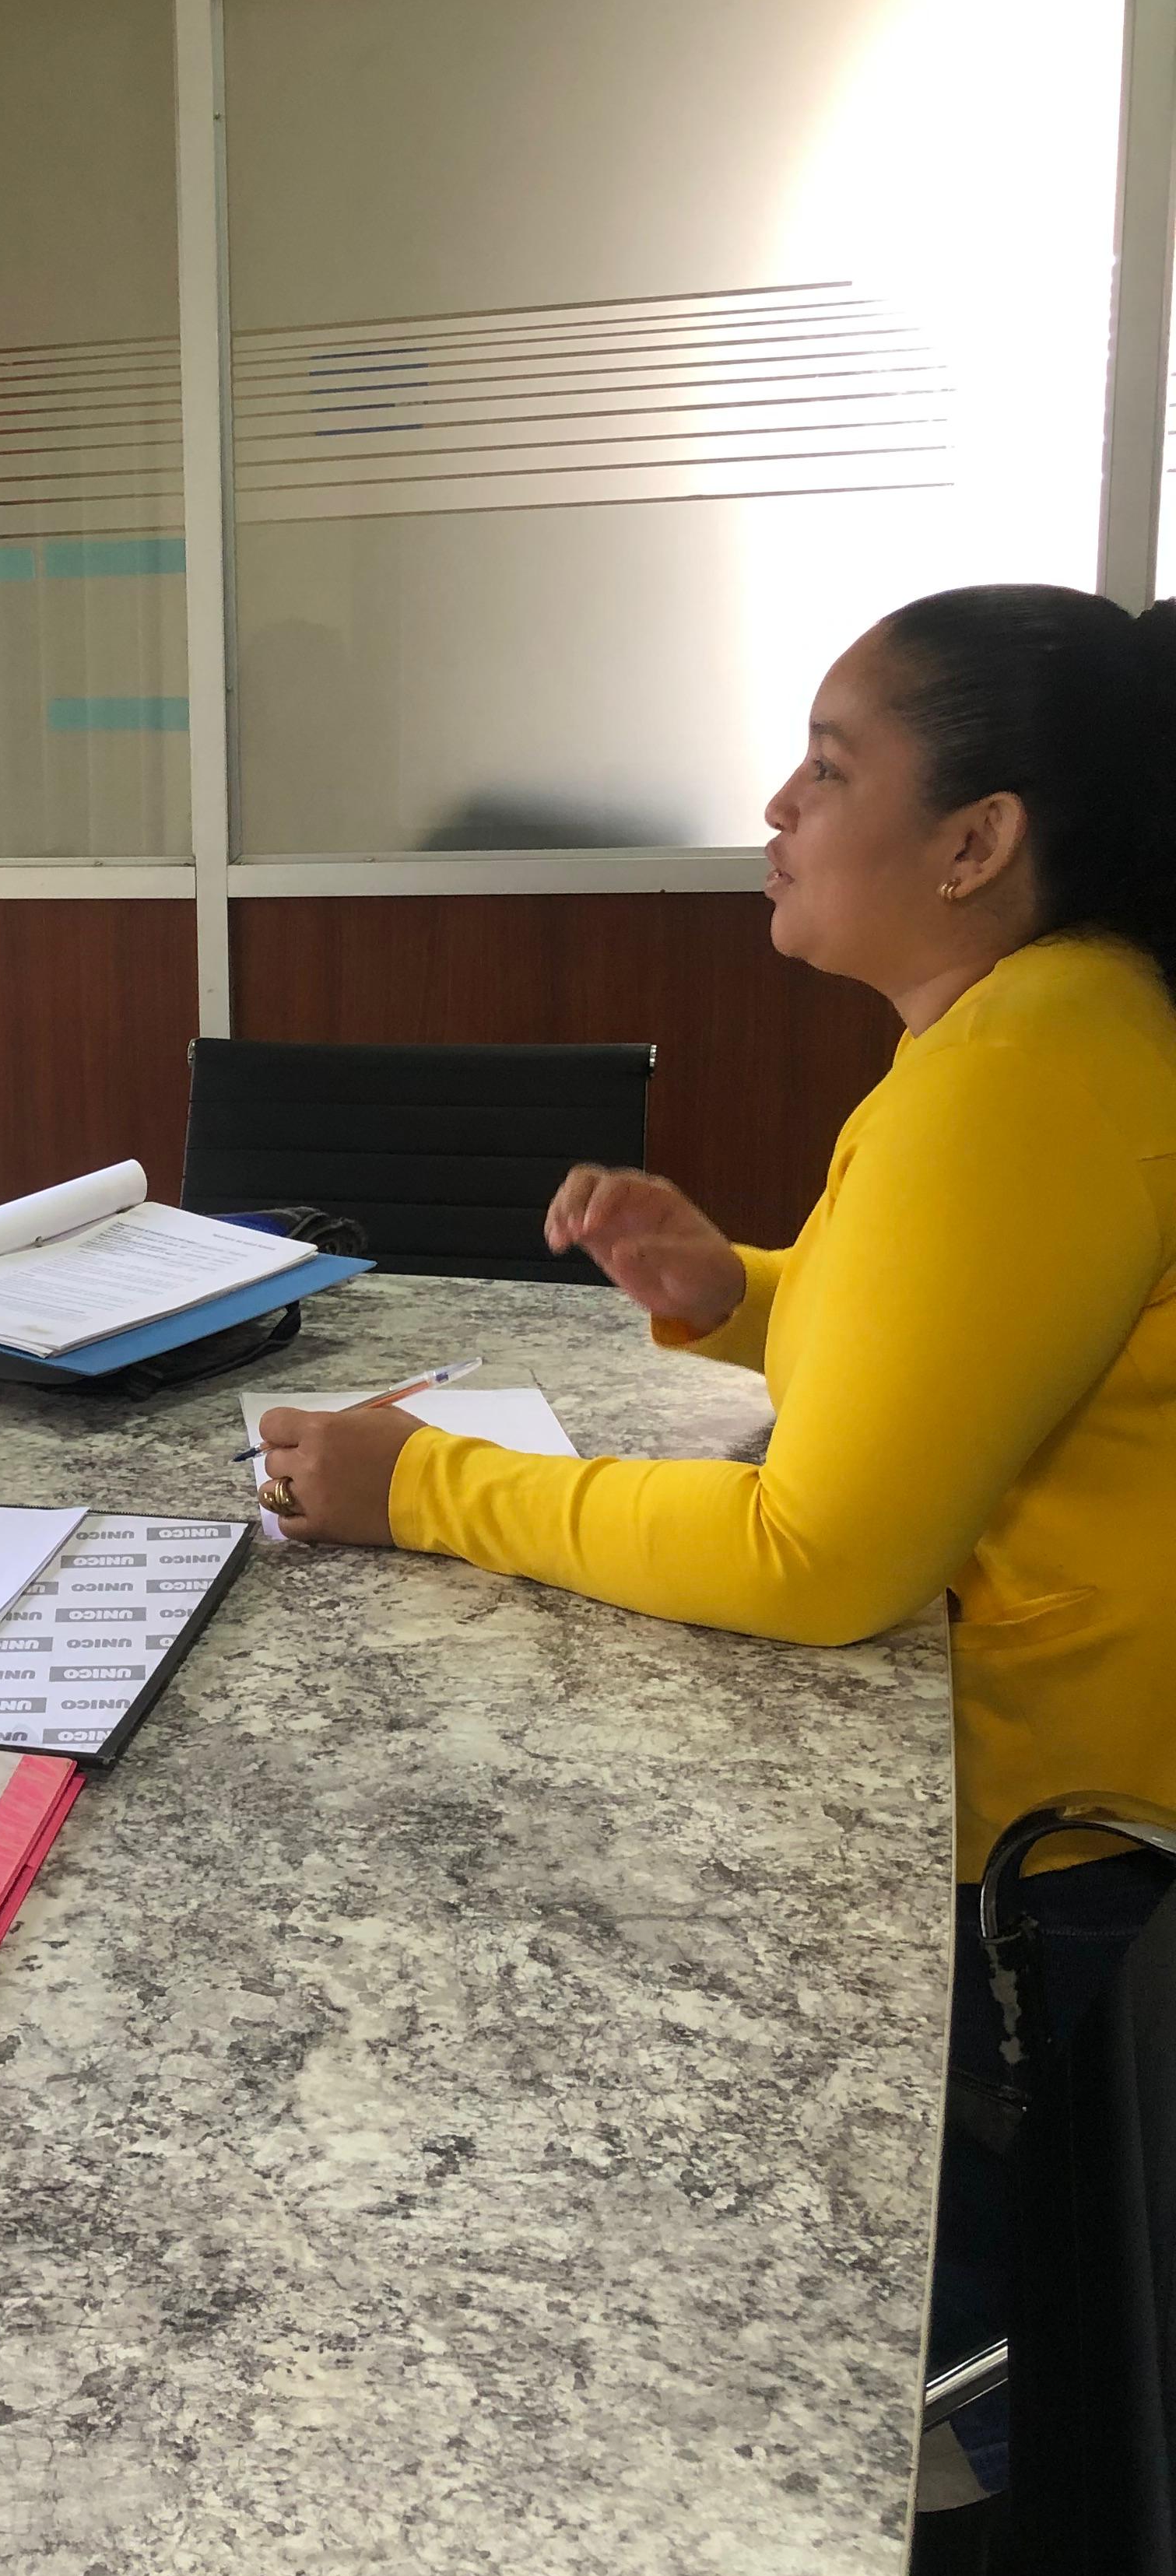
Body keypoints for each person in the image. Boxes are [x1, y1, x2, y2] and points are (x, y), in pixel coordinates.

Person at [255, 583, 1176, 2476]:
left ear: (976, 843)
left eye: (831, 768)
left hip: (1060, 1844)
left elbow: (815, 1560)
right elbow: (979, 1342)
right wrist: (731, 1290)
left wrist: (417, 1485)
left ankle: (982, 2541)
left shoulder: (1022, 1069)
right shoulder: (1042, 1024)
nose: (776, 806)